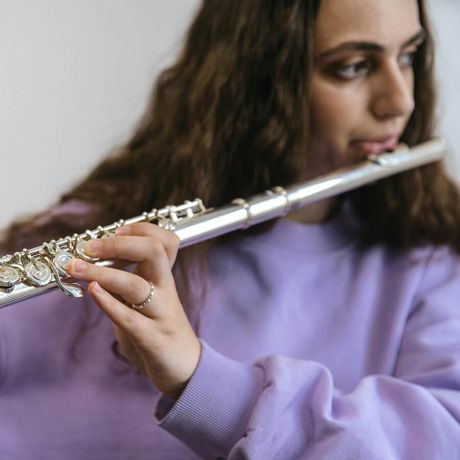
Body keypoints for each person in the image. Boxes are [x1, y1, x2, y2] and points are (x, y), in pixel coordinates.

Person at [1, 0, 459, 458]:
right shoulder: (100, 241)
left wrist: (200, 381)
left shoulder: (433, 265)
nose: (400, 101)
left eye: (407, 56)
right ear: (261, 77)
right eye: (353, 66)